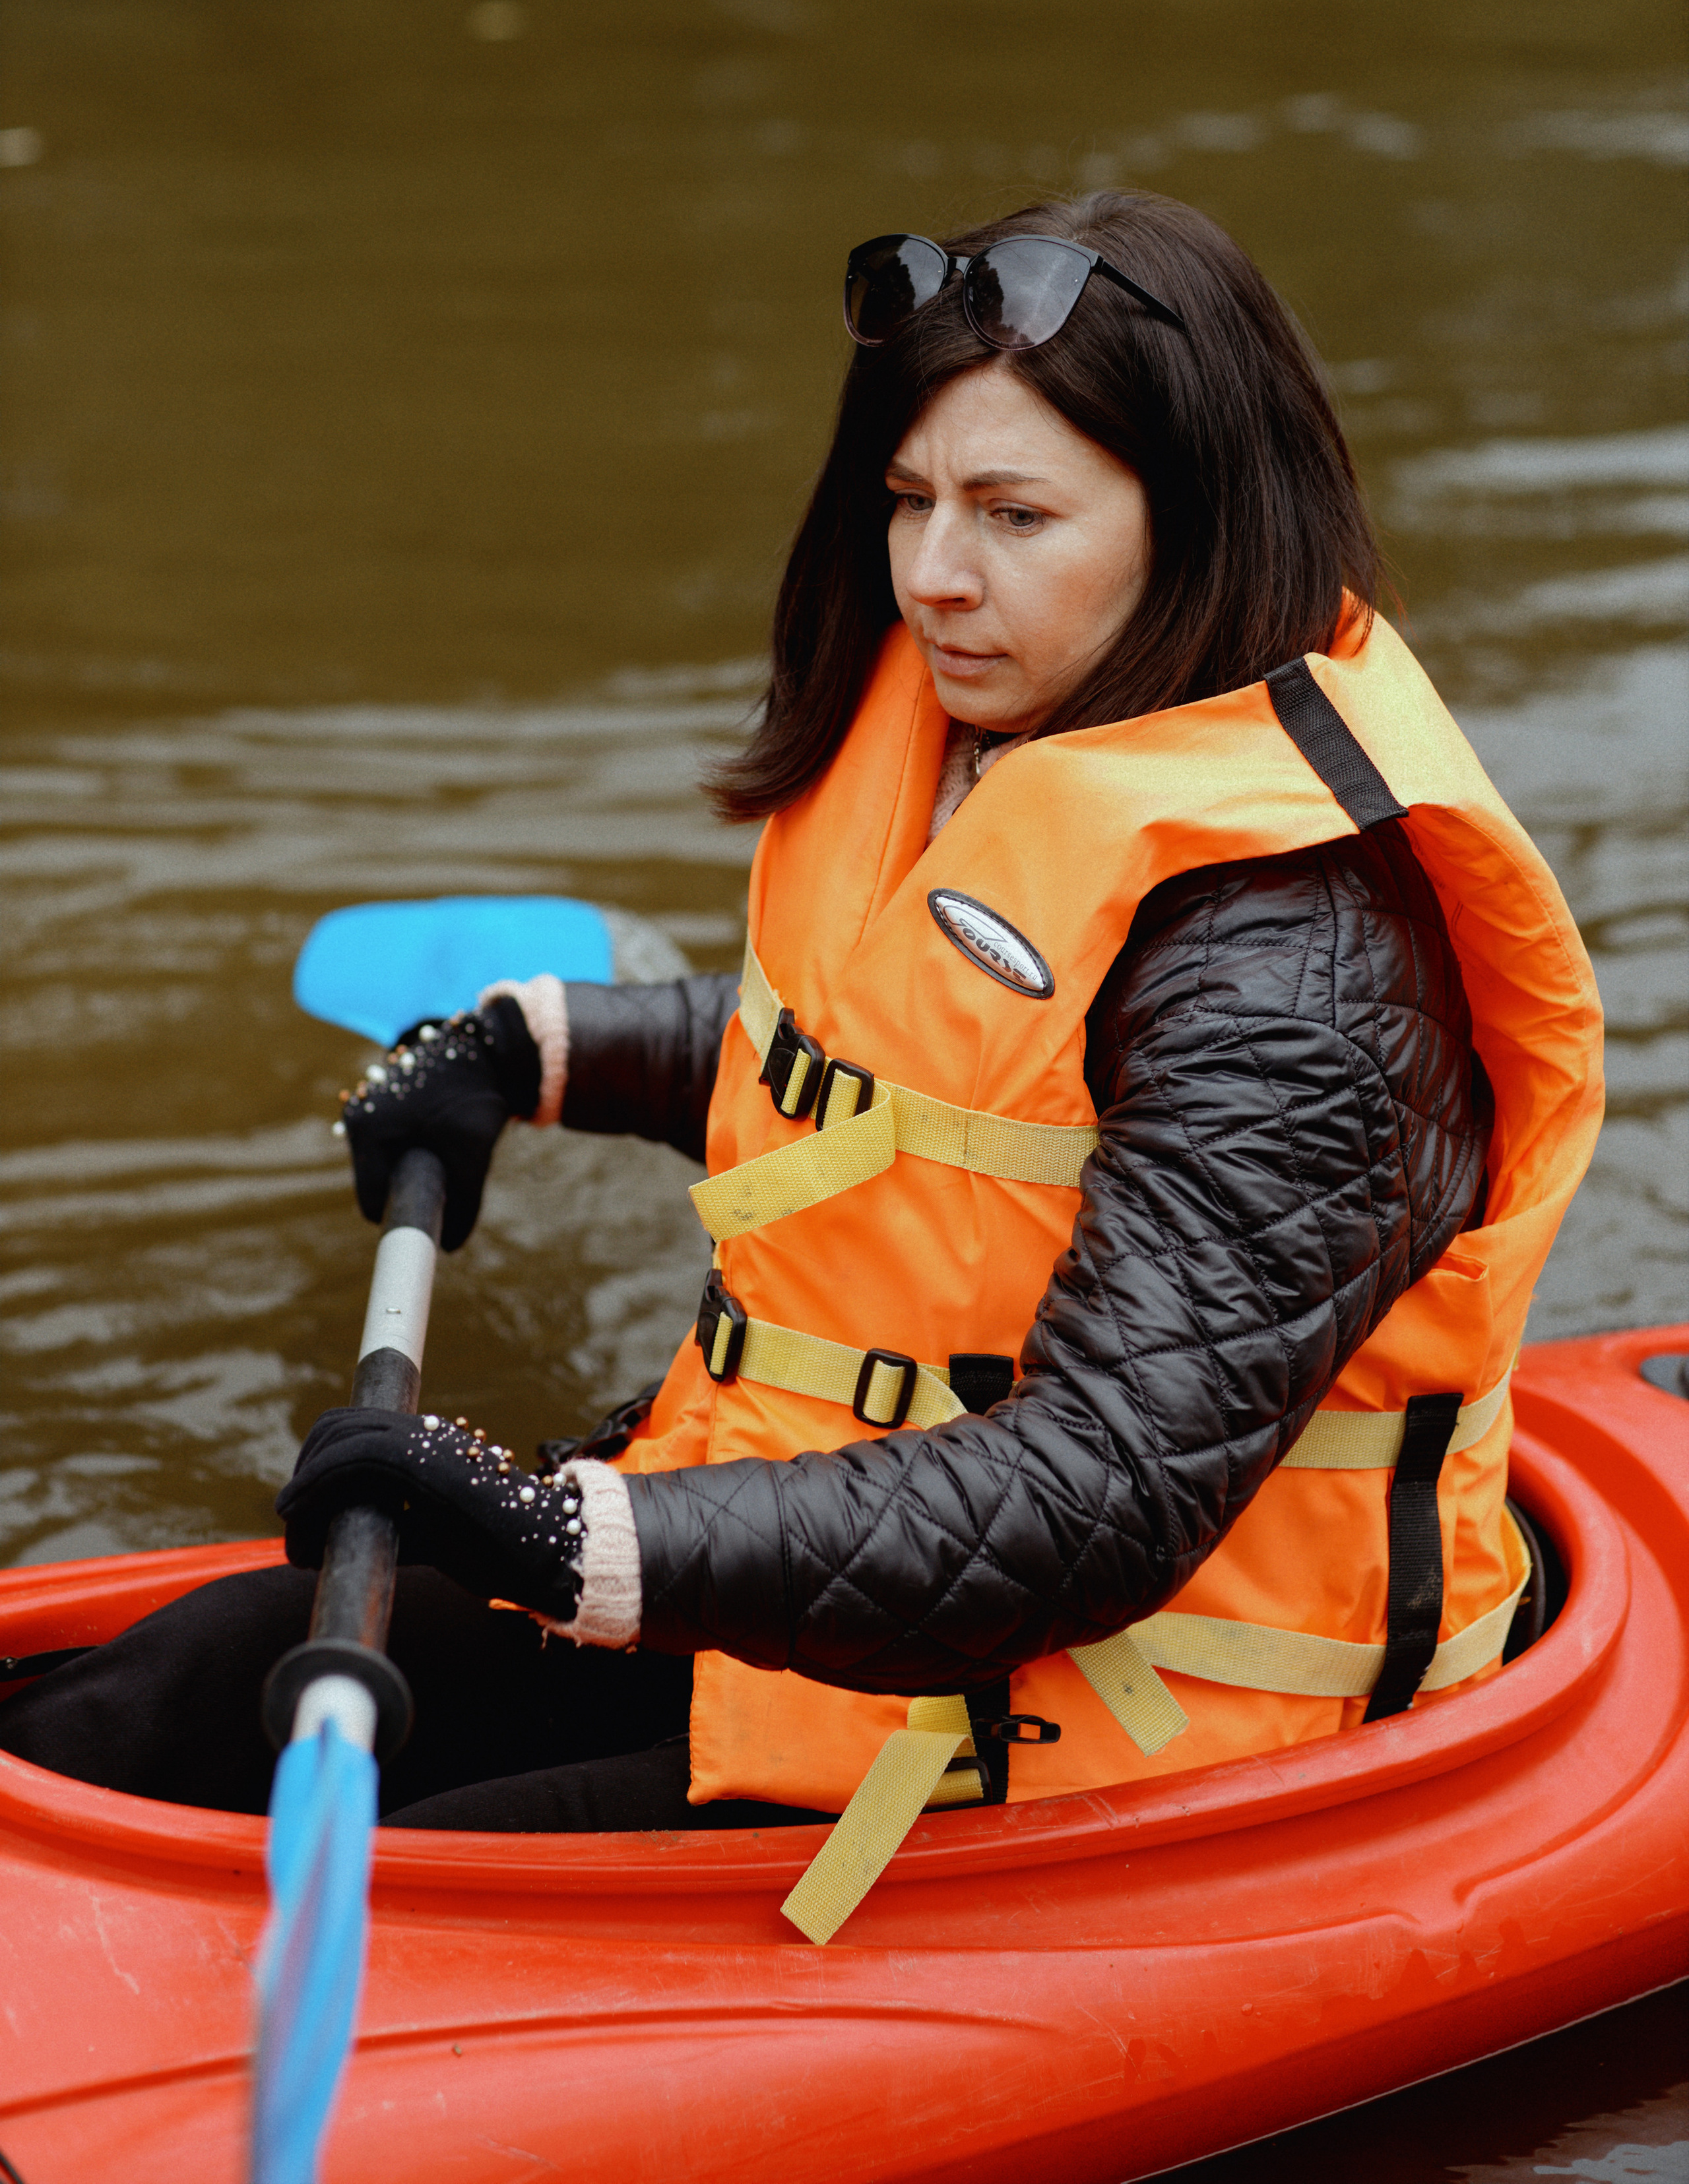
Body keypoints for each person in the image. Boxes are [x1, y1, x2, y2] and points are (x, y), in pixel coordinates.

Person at [0, 195, 1601, 1940]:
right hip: (842, 1607)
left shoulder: (1296, 970)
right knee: (163, 1698)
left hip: (1105, 1726)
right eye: (911, 501)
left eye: (1014, 514)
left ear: (1197, 522)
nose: (931, 575)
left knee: (379, 1884)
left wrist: (566, 1541)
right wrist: (540, 1049)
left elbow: (1091, 1500)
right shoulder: (1013, 730)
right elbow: (885, 1078)